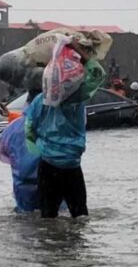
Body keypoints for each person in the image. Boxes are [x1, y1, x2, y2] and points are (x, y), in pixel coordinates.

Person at [25, 41, 106, 218]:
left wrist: (43, 145)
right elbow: (98, 74)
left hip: (47, 166)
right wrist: (77, 49)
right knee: (80, 217)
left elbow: (29, 130)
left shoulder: (39, 101)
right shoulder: (77, 98)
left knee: (48, 218)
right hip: (72, 166)